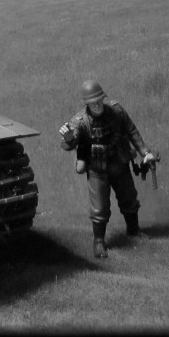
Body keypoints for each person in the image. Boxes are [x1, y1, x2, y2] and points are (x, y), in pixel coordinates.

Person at [59, 80, 157, 259]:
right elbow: (70, 143)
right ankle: (99, 241)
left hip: (120, 163)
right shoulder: (80, 122)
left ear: (103, 98)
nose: (97, 105)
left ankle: (133, 230)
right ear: (87, 103)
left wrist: (146, 153)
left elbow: (132, 131)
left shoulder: (117, 111)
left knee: (129, 198)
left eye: (99, 100)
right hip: (97, 170)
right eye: (92, 102)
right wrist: (69, 138)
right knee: (99, 208)